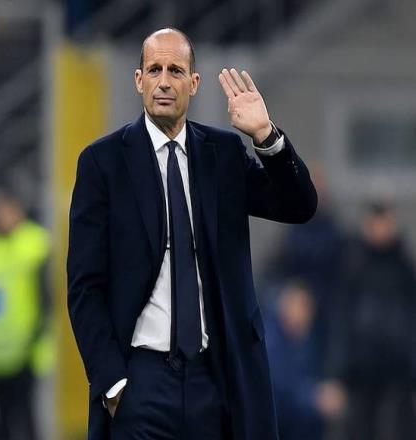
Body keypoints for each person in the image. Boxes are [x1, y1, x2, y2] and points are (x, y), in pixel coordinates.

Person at [67, 28, 317, 440]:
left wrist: (265, 136)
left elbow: (299, 206)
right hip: (139, 382)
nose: (164, 81)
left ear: (194, 83)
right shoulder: (102, 163)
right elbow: (84, 285)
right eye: (154, 70)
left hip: (214, 380)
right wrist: (111, 381)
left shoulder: (224, 154)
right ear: (139, 80)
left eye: (176, 71)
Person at [328, 201, 416, 440]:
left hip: (397, 370)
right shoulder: (352, 263)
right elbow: (340, 318)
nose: (380, 228)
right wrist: (335, 371)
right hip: (360, 369)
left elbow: (411, 319)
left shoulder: (404, 266)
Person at [0, 191, 51, 440]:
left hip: (25, 349)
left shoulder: (34, 242)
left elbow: (46, 296)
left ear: (18, 209)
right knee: (1, 421)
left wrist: (36, 334)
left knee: (26, 418)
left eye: (5, 209)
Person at [265, 279, 346, 440]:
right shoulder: (270, 341)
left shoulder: (307, 338)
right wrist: (314, 398)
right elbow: (279, 391)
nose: (306, 314)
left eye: (309, 308)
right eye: (301, 306)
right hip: (278, 425)